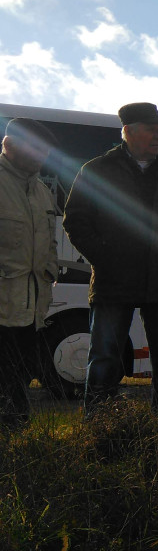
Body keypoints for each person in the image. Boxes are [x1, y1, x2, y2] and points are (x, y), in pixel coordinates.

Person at [63, 103, 158, 414]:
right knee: (105, 354)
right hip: (114, 281)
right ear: (127, 132)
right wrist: (105, 258)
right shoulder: (97, 170)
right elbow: (75, 221)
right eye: (151, 129)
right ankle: (100, 421)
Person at [0, 119, 59, 429]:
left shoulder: (41, 191)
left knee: (19, 377)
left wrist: (49, 271)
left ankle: (17, 442)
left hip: (29, 308)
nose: (42, 157)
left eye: (45, 151)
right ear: (9, 145)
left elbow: (50, 243)